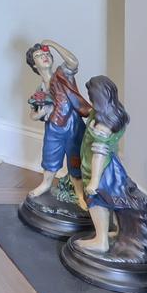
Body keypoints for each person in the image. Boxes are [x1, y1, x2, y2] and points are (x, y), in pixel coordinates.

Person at [74, 75, 147, 255]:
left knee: (97, 201)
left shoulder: (103, 125)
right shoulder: (113, 113)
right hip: (112, 165)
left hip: (99, 169)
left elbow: (99, 154)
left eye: (91, 96)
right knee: (111, 199)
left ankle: (100, 241)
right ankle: (117, 231)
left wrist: (93, 181)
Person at [24, 40, 88, 201]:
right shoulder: (40, 90)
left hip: (73, 125)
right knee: (50, 156)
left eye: (47, 54)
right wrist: (40, 113)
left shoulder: (62, 74)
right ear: (34, 65)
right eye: (39, 56)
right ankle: (46, 184)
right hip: (53, 128)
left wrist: (52, 44)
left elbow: (73, 62)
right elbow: (33, 114)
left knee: (75, 158)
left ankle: (79, 191)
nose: (44, 56)